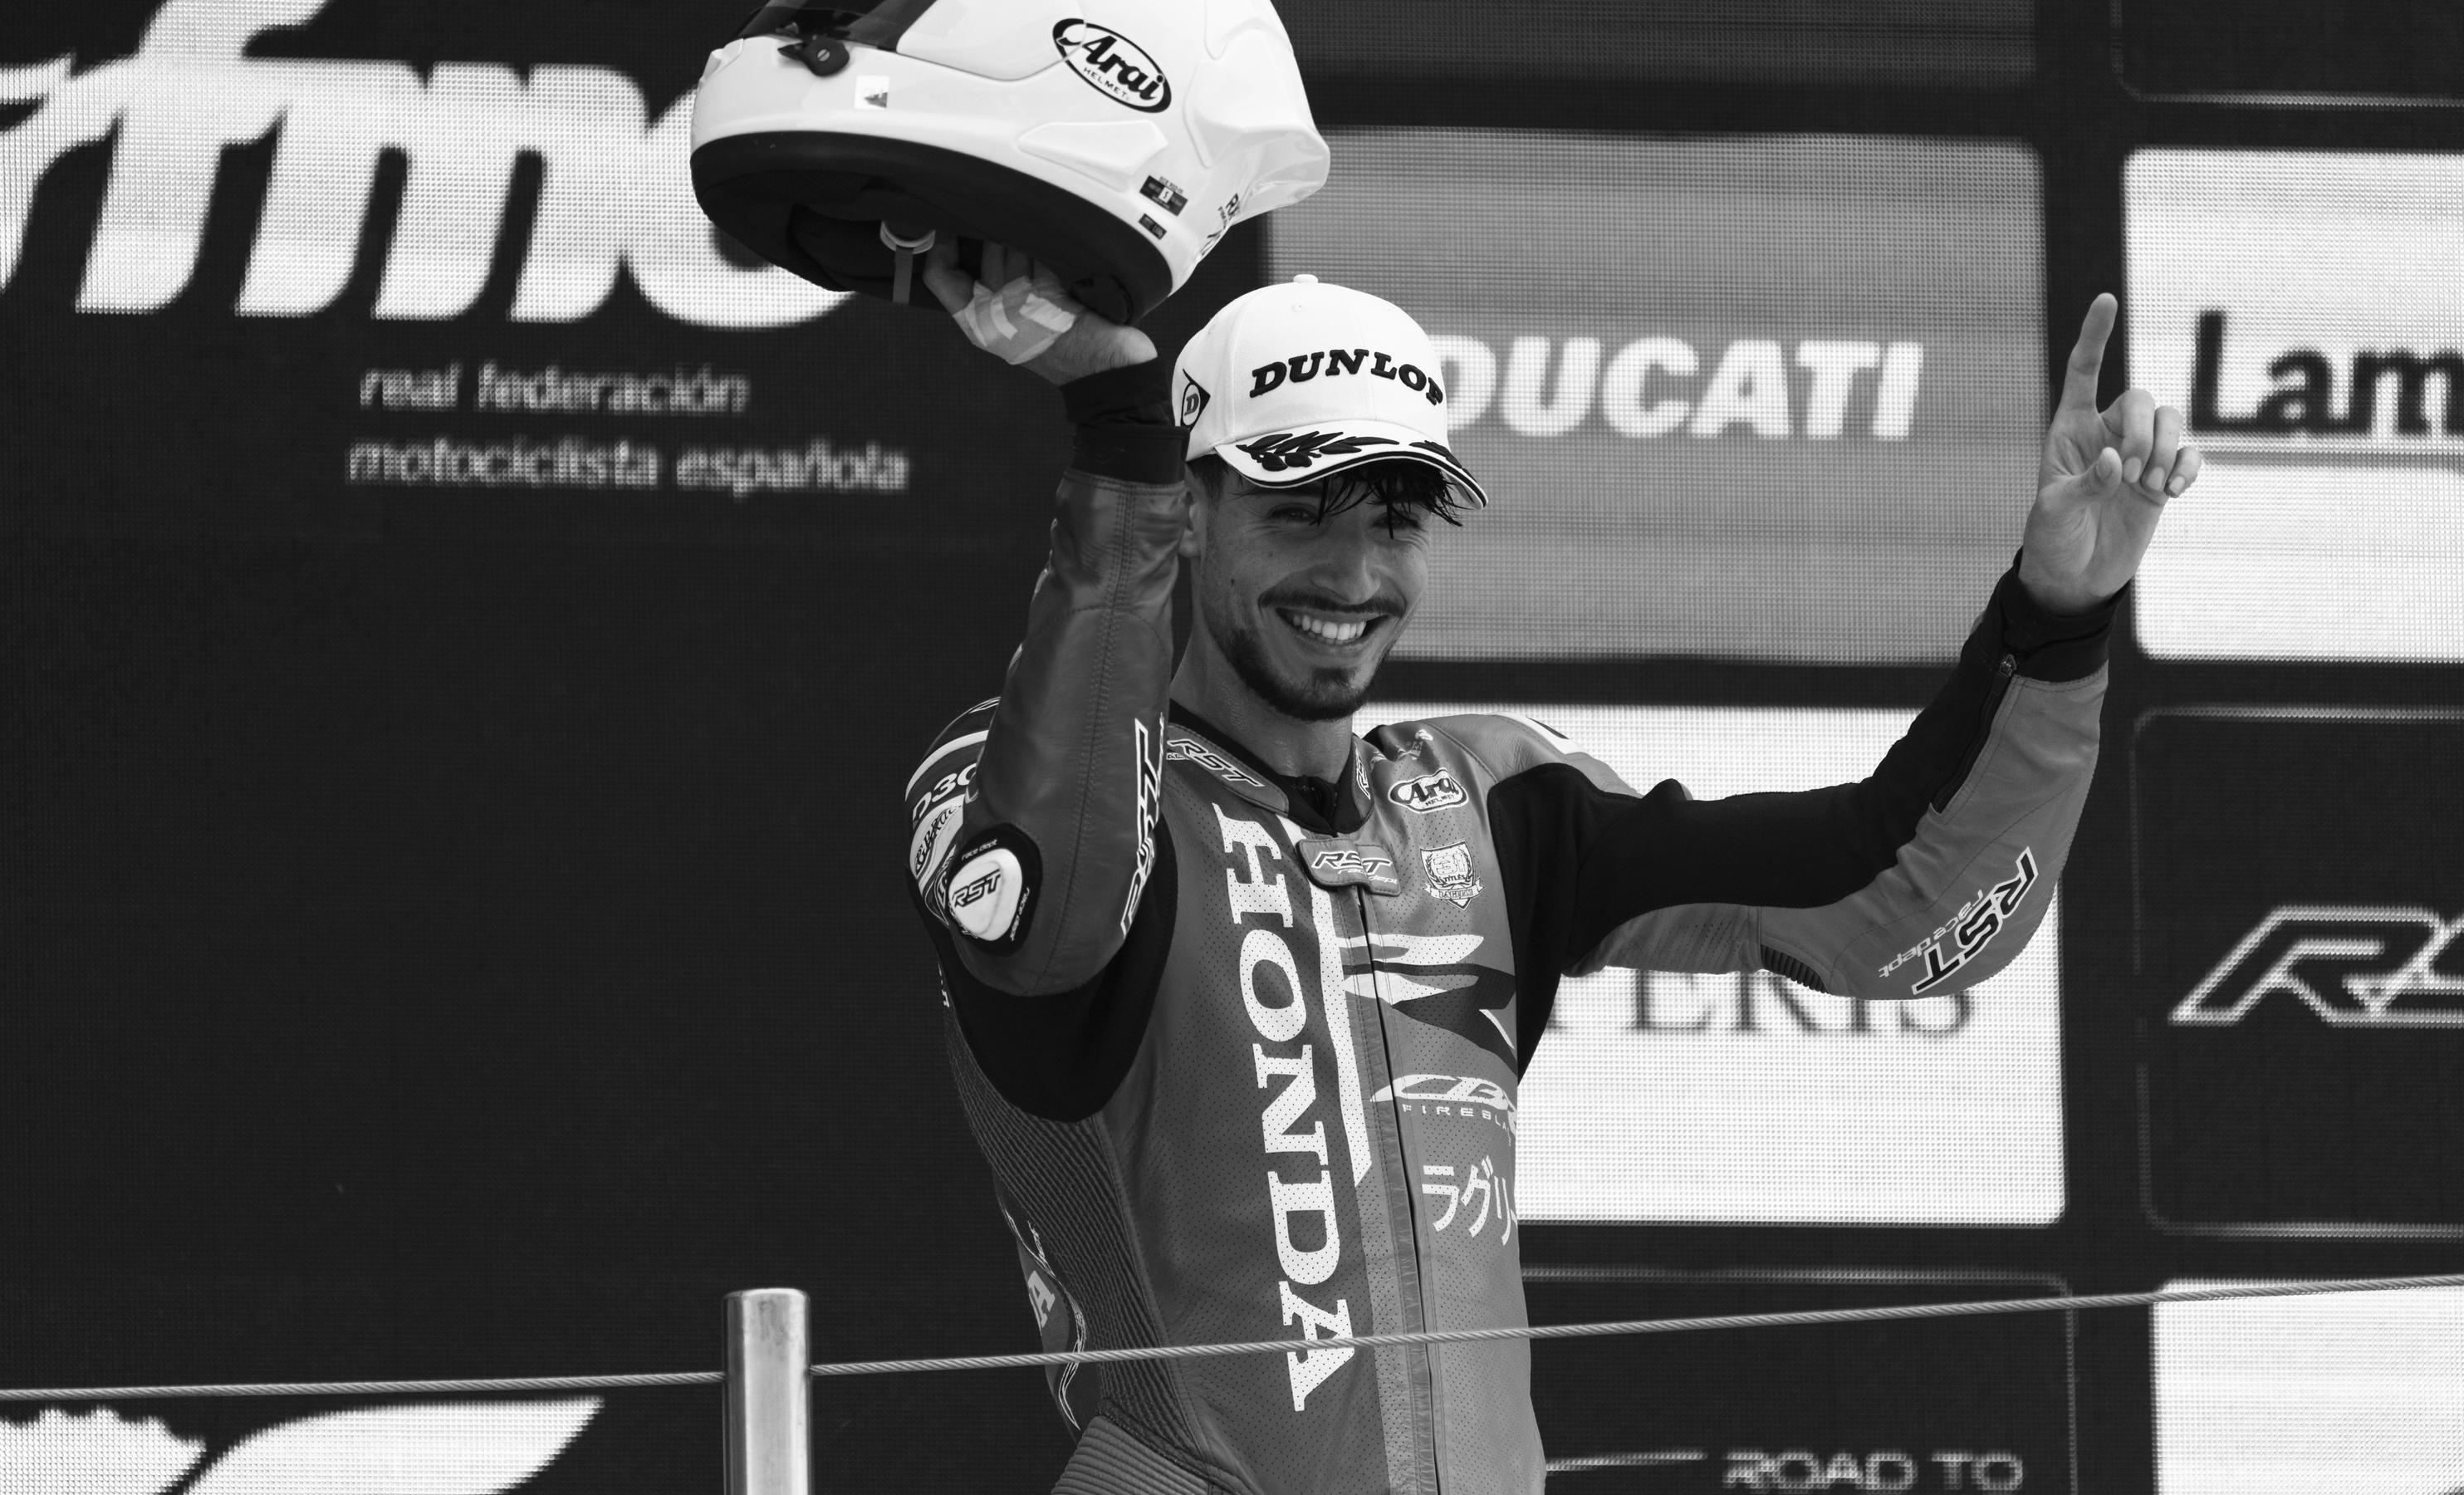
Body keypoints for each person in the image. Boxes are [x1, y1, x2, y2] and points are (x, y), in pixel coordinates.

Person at [901, 243, 2198, 1495]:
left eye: (1397, 517)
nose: (1353, 572)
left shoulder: (1493, 801)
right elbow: (1055, 927)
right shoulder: (1020, 783)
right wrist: (1121, 437)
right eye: (1297, 509)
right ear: (1187, 514)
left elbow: (1901, 902)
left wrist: (2056, 618)